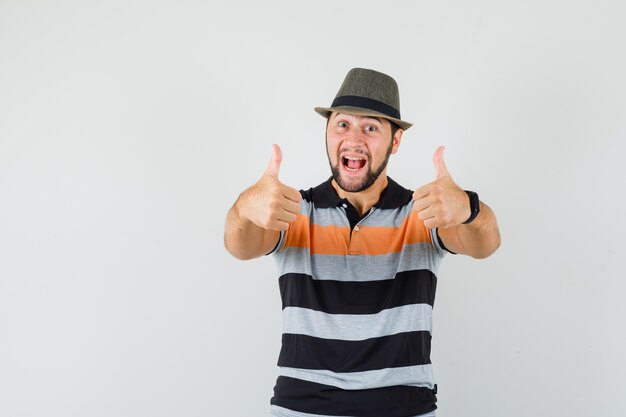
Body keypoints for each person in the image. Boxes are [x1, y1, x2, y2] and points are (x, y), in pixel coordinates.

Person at [224, 68, 501, 417]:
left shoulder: (423, 212)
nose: (353, 139)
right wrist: (245, 207)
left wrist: (468, 208)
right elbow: (239, 246)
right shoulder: (293, 210)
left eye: (370, 127)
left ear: (395, 141)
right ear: (326, 131)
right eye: (342, 124)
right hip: (303, 409)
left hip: (404, 408)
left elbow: (485, 244)